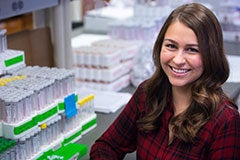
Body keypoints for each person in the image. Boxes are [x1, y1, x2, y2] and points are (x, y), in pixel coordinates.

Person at [90, 3, 240, 159]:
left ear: (211, 55)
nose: (178, 60)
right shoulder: (148, 93)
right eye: (171, 46)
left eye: (192, 49)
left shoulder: (225, 121)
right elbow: (106, 146)